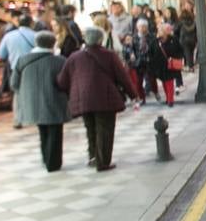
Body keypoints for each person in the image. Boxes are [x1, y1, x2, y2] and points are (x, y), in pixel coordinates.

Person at [56, 26, 138, 171]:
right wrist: (133, 95)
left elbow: (62, 81)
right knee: (105, 129)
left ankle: (93, 156)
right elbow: (122, 77)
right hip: (105, 98)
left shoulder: (74, 57)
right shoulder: (109, 55)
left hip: (83, 99)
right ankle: (103, 162)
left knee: (90, 128)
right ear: (101, 39)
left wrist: (73, 90)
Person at [11, 31, 69, 171]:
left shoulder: (22, 60)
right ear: (53, 43)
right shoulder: (60, 61)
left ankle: (46, 158)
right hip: (54, 100)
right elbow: (66, 82)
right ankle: (53, 163)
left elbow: (14, 83)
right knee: (55, 131)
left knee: (43, 130)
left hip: (32, 102)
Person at [0, 13, 38, 127]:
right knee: (33, 91)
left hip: (15, 68)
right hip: (32, 67)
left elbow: (1, 54)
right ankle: (33, 116)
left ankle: (18, 119)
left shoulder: (8, 36)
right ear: (31, 23)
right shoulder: (35, 35)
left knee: (17, 93)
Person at [157, 23, 183, 106]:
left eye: (165, 30)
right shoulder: (157, 41)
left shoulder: (173, 39)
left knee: (169, 82)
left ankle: (170, 100)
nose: (163, 32)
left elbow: (180, 50)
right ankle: (168, 97)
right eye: (161, 30)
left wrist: (178, 58)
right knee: (164, 82)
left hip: (171, 64)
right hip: (161, 65)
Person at [178, 5, 199, 71]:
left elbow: (176, 29)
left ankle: (190, 67)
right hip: (192, 39)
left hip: (184, 40)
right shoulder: (193, 21)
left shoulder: (181, 22)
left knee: (187, 53)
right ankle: (191, 65)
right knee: (191, 53)